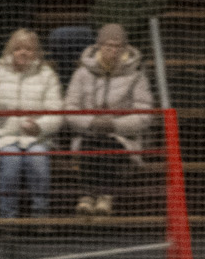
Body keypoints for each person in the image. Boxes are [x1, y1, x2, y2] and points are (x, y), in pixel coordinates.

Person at [0, 29, 62, 221]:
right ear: (10, 50)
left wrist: (39, 127)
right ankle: (8, 218)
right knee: (11, 161)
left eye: (28, 49)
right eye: (18, 48)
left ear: (36, 52)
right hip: (4, 137)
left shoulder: (47, 75)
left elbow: (56, 113)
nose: (23, 52)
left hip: (36, 137)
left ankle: (40, 216)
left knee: (37, 159)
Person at [62, 23, 152, 210]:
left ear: (125, 48)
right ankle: (89, 197)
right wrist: (92, 123)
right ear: (99, 46)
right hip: (88, 135)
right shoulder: (82, 73)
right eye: (107, 45)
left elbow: (144, 114)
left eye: (117, 46)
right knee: (92, 141)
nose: (112, 50)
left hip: (122, 138)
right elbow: (69, 109)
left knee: (106, 142)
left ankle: (103, 196)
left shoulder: (136, 76)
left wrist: (114, 125)